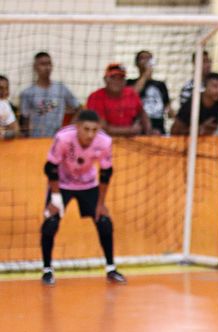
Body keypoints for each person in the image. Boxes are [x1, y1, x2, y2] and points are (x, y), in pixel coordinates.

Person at [40, 110, 126, 286]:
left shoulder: (104, 141)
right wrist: (55, 198)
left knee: (104, 221)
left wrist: (100, 204)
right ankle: (47, 270)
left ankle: (111, 268)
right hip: (62, 184)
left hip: (87, 184)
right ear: (77, 127)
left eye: (95, 130)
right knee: (51, 222)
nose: (90, 134)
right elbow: (50, 167)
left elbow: (106, 172)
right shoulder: (63, 138)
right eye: (86, 129)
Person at [19, 52, 81, 138]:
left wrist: (68, 129)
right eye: (43, 64)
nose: (47, 67)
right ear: (35, 67)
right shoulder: (28, 93)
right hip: (36, 140)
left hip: (58, 139)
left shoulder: (61, 88)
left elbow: (79, 108)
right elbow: (24, 119)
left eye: (49, 64)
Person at [86, 63, 152, 137]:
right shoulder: (95, 97)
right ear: (105, 79)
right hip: (104, 141)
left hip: (129, 141)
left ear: (125, 81)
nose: (117, 81)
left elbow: (143, 113)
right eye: (113, 77)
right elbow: (102, 128)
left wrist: (148, 132)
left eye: (120, 78)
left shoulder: (131, 93)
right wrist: (131, 130)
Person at [126, 50, 172, 134]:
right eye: (142, 58)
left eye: (149, 58)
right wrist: (146, 74)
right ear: (136, 63)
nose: (146, 61)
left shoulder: (160, 85)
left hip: (158, 127)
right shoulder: (130, 83)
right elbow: (132, 94)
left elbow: (167, 107)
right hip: (137, 127)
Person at [0, 75, 20, 139]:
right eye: (0, 88)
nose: (5, 92)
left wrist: (6, 133)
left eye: (7, 88)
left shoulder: (5, 105)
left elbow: (16, 130)